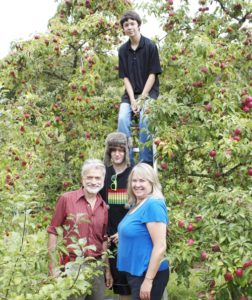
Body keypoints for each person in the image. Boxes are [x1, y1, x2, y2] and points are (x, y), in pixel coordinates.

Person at [47, 158, 113, 300]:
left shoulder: (104, 207)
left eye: (97, 178)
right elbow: (53, 231)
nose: (93, 181)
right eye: (89, 177)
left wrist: (107, 269)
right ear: (82, 178)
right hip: (72, 265)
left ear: (103, 179)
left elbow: (103, 240)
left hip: (96, 267)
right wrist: (52, 267)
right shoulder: (66, 199)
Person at [117, 163, 169, 300]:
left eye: (142, 180)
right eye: (134, 180)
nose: (137, 184)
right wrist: (122, 234)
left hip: (147, 273)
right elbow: (139, 229)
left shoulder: (153, 204)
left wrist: (148, 280)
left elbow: (160, 245)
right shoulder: (138, 204)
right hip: (136, 272)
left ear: (152, 183)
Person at [117, 11, 162, 166]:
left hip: (149, 93)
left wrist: (142, 99)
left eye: (132, 24)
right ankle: (126, 160)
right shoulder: (122, 50)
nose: (129, 27)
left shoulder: (150, 46)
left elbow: (153, 74)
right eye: (126, 25)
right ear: (123, 29)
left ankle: (145, 162)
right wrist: (132, 100)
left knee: (146, 119)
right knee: (122, 118)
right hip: (130, 94)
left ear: (138, 25)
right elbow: (125, 78)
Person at [100, 132, 132, 300]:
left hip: (131, 236)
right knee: (121, 288)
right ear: (109, 152)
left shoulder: (134, 174)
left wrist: (126, 232)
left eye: (121, 150)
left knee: (135, 284)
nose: (117, 154)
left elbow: (140, 209)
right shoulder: (103, 175)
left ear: (126, 152)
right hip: (112, 238)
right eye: (114, 150)